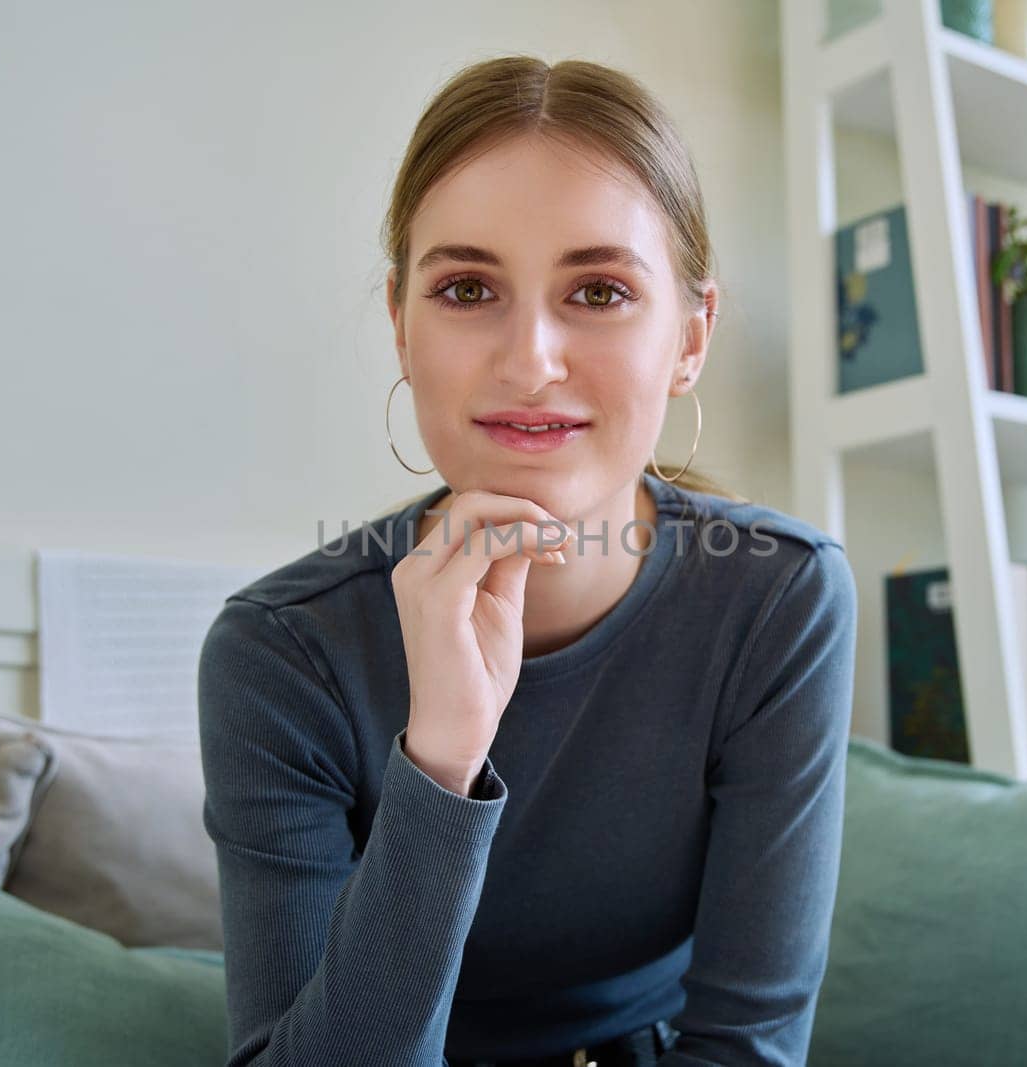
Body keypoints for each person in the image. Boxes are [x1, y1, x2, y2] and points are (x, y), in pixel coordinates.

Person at [196, 54, 858, 1067]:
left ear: (690, 335)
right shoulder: (280, 653)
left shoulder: (779, 599)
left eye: (597, 290)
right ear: (401, 327)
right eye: (466, 287)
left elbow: (745, 1046)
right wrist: (442, 760)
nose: (530, 359)